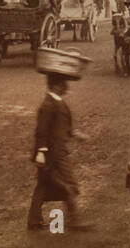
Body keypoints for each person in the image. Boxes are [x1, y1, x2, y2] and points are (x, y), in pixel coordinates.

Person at [28, 73, 90, 231]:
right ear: (56, 85)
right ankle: (74, 219)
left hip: (56, 151)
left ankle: (33, 221)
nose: (67, 87)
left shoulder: (57, 102)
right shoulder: (48, 106)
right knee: (68, 183)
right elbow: (41, 131)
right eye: (63, 83)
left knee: (42, 186)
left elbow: (61, 127)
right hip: (52, 154)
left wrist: (75, 134)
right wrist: (41, 152)